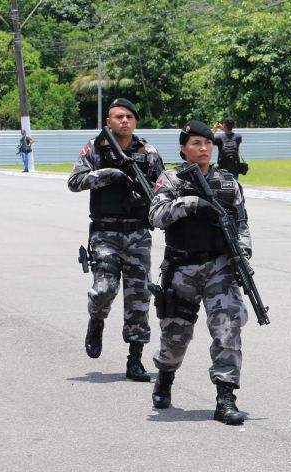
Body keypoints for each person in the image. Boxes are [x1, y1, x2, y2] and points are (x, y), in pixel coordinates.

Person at [148, 120, 253, 424]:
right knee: (175, 336)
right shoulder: (170, 179)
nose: (203, 148)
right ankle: (165, 376)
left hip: (220, 266)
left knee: (228, 327)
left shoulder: (228, 181)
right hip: (182, 266)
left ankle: (226, 397)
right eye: (196, 143)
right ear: (183, 148)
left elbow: (242, 223)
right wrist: (190, 203)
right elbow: (156, 215)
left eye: (207, 143)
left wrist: (243, 255)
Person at [68, 98, 164, 381]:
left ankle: (135, 360)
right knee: (104, 289)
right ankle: (96, 321)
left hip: (137, 233)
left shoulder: (148, 151)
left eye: (129, 117)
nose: (124, 121)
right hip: (105, 232)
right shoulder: (95, 149)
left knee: (139, 297)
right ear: (108, 122)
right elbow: (74, 182)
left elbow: (163, 188)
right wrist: (109, 175)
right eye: (118, 117)